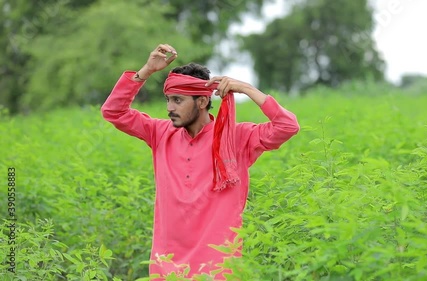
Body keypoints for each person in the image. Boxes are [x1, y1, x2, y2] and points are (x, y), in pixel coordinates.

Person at [101, 43, 299, 279]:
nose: (169, 108)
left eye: (177, 100)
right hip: (166, 268)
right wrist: (146, 71)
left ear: (202, 102)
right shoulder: (160, 133)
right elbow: (113, 112)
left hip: (218, 270)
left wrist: (245, 88)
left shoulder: (237, 138)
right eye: (168, 100)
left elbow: (288, 126)